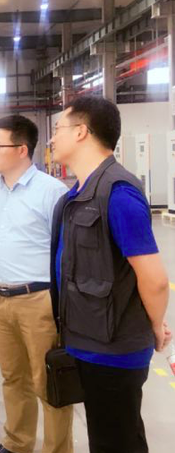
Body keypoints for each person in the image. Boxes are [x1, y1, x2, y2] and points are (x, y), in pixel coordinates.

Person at [49, 96, 172, 453]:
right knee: (109, 436)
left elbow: (154, 279)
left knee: (116, 441)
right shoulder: (79, 193)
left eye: (58, 129)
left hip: (114, 349)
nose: (52, 138)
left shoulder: (117, 193)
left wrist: (155, 324)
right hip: (89, 341)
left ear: (81, 132)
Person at [0, 115, 73, 453]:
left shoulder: (52, 192)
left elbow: (67, 252)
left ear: (21, 149)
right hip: (0, 300)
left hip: (39, 300)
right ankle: (17, 442)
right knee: (12, 378)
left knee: (48, 382)